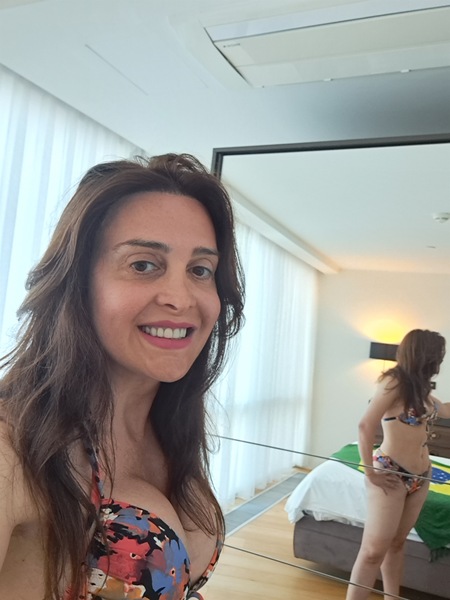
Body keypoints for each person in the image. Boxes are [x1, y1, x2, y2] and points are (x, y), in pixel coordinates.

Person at [0, 153, 245, 600]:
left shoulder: (171, 428)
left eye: (200, 270)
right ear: (77, 282)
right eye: (143, 264)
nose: (181, 298)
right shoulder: (13, 446)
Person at [346, 329, 450, 599]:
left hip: (421, 475)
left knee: (396, 544)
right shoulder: (394, 381)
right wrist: (370, 472)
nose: (440, 360)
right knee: (372, 552)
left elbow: (445, 410)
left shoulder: (420, 389)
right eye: (438, 355)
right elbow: (365, 425)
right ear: (425, 354)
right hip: (392, 471)